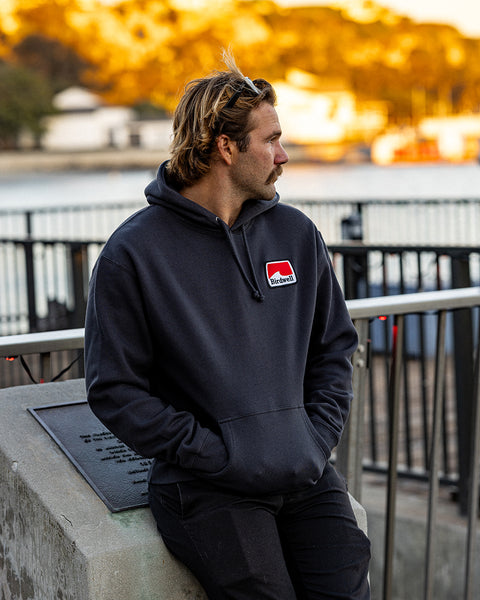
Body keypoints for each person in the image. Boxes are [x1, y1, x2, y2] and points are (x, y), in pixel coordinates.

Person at [84, 52, 371, 599]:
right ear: (225, 147)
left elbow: (334, 346)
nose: (283, 156)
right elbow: (115, 390)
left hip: (303, 472)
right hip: (209, 490)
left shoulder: (296, 234)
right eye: (271, 140)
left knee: (347, 584)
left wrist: (315, 436)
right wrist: (216, 454)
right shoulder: (133, 254)